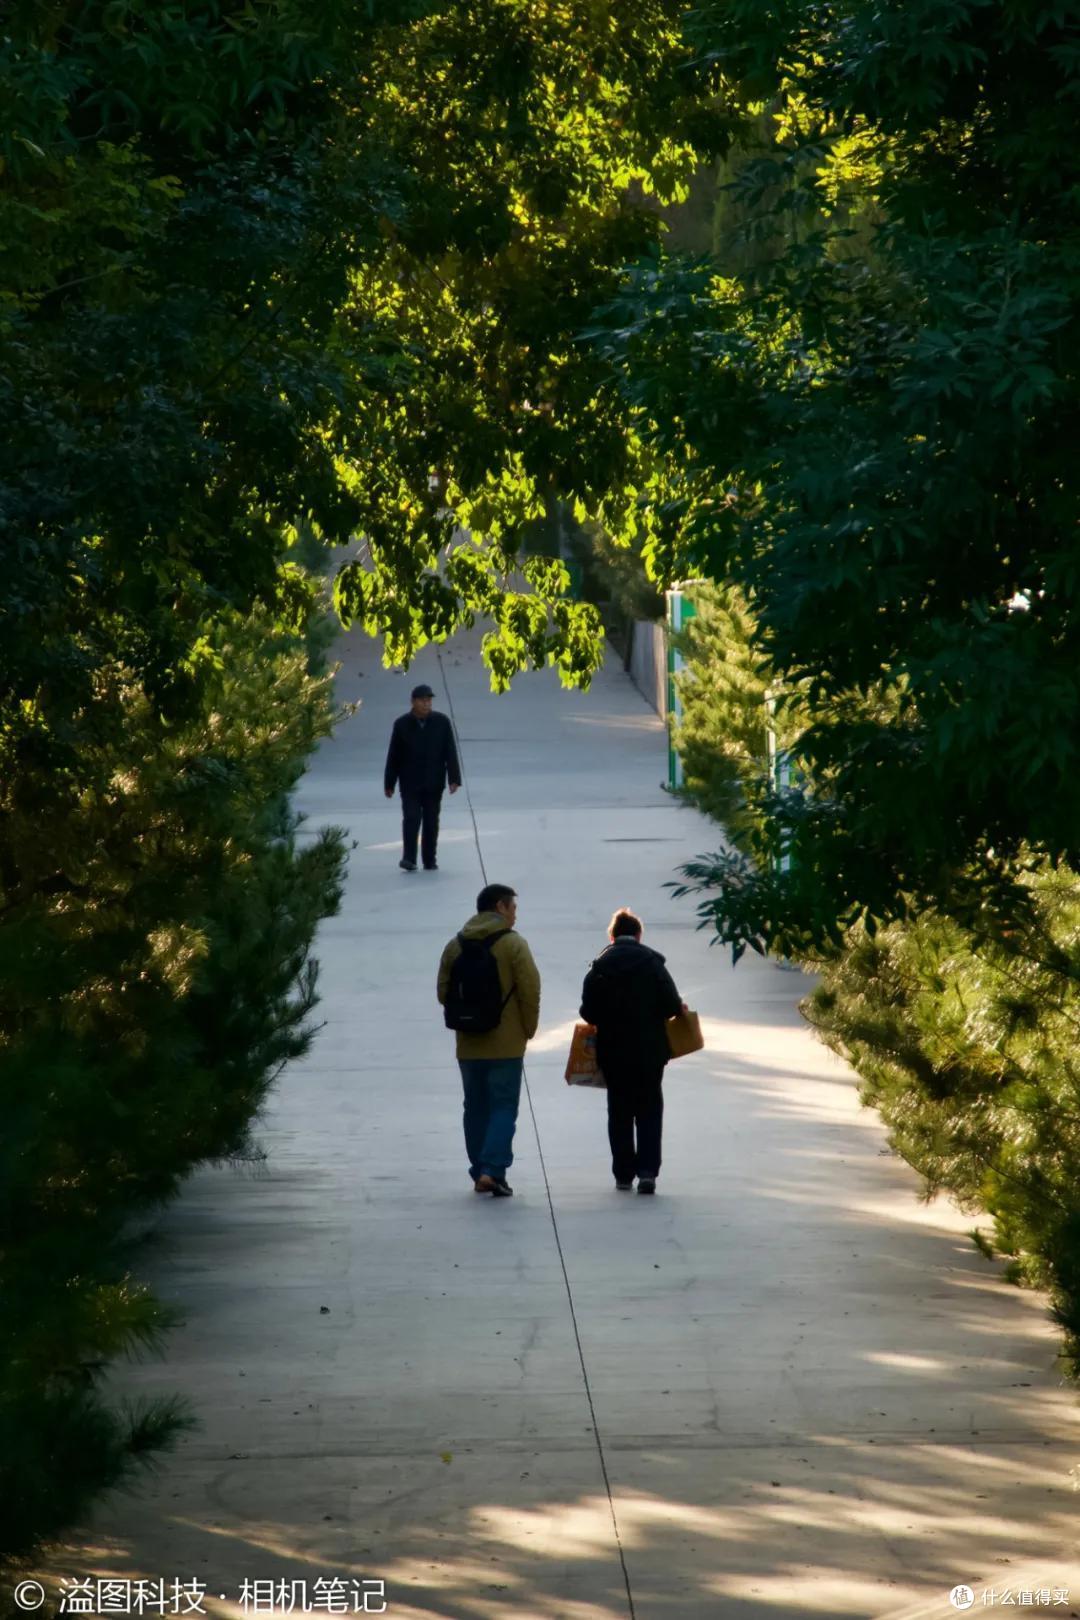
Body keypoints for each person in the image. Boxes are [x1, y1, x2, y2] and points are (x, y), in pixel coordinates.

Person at [437, 884, 541, 1197]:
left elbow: (443, 992)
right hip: (506, 1044)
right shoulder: (514, 945)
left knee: (475, 1107)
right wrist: (527, 1029)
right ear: (500, 907)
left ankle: (478, 1168)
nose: (515, 915)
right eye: (513, 908)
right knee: (504, 1105)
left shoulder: (455, 945)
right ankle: (492, 1171)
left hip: (468, 1044)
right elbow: (530, 990)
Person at [580, 907, 683, 1195]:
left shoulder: (599, 966)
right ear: (638, 935)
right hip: (650, 1051)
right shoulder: (653, 964)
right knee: (650, 1109)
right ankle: (648, 1173)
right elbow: (672, 1006)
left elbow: (588, 1012)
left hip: (613, 1051)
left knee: (620, 1112)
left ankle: (623, 1175)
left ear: (611, 936)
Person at [384, 683, 461, 871]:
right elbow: (394, 755)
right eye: (422, 701)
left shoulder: (442, 722)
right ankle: (409, 858)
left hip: (434, 782)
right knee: (411, 818)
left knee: (431, 821)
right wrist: (389, 783)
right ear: (413, 702)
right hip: (409, 782)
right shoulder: (401, 724)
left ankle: (429, 859)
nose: (426, 704)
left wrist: (454, 778)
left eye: (429, 700)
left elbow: (450, 751)